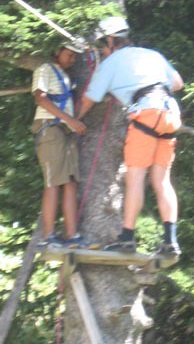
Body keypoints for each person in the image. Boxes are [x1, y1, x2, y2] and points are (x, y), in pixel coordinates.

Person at [78, 16, 184, 256]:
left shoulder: (110, 63)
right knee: (162, 181)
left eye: (102, 46)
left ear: (111, 40)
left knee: (134, 178)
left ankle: (127, 238)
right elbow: (177, 83)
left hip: (146, 113)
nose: (102, 52)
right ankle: (170, 241)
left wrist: (72, 120)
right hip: (169, 114)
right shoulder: (152, 55)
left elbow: (88, 99)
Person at [31, 38, 89, 249]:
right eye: (69, 54)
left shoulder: (66, 76)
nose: (72, 59)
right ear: (57, 51)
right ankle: (49, 236)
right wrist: (70, 119)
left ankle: (72, 235)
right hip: (50, 128)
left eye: (75, 56)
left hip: (65, 132)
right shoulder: (44, 69)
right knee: (53, 181)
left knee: (70, 181)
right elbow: (41, 98)